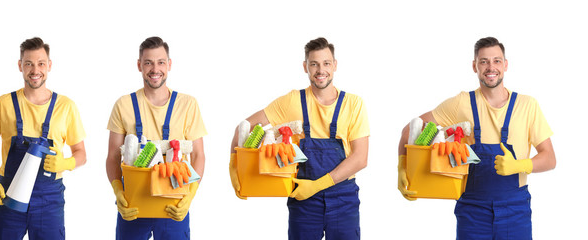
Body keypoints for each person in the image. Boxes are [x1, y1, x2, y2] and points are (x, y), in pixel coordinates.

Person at [397, 37, 556, 239]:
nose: (491, 67)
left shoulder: (527, 105)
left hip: (515, 211)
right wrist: (403, 167)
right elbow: (409, 130)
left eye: (497, 61)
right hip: (472, 211)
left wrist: (519, 165)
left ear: (505, 65)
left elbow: (549, 158)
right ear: (475, 66)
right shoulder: (460, 103)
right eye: (484, 61)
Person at [229, 37, 369, 240]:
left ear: (335, 65)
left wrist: (317, 185)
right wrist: (235, 167)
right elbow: (243, 128)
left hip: (343, 200)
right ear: (306, 67)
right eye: (314, 64)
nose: (321, 70)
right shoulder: (292, 101)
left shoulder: (354, 104)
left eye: (326, 63)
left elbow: (360, 158)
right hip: (303, 200)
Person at [0, 37, 87, 240]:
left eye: (41, 63)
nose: (35, 70)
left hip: (49, 201)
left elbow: (81, 154)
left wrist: (67, 162)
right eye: (29, 64)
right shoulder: (4, 103)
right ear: (20, 66)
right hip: (8, 197)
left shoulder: (66, 107)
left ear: (49, 66)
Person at [106, 36, 206, 240]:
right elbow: (112, 156)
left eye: (161, 62)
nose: (155, 69)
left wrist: (191, 195)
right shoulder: (123, 105)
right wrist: (118, 190)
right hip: (134, 204)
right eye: (148, 62)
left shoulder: (188, 104)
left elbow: (198, 155)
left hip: (173, 203)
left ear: (169, 64)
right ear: (139, 65)